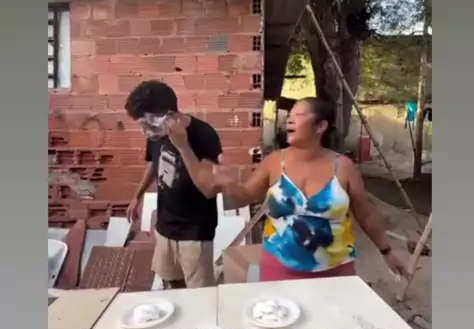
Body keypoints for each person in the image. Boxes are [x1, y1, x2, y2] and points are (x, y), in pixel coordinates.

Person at [211, 96, 409, 282]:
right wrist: (228, 183)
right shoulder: (274, 162)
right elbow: (244, 196)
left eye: (299, 115)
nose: (289, 120)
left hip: (335, 273)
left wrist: (387, 252)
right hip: (278, 269)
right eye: (289, 116)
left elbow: (365, 215)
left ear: (320, 126)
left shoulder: (343, 167)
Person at [124, 80, 222, 289]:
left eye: (148, 124)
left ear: (169, 116)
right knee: (171, 284)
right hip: (165, 226)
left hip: (195, 232)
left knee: (199, 293)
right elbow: (154, 163)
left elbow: (208, 189)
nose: (145, 131)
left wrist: (182, 145)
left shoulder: (204, 135)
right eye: (142, 125)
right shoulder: (156, 133)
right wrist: (137, 195)